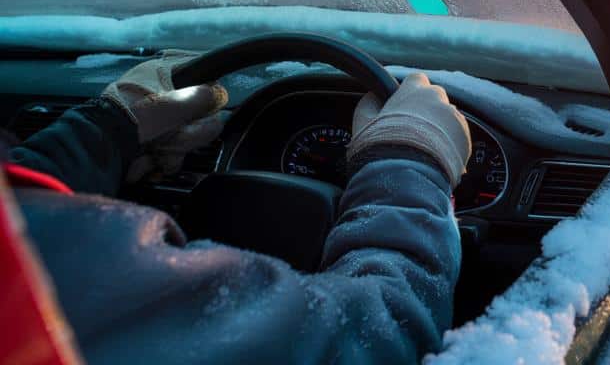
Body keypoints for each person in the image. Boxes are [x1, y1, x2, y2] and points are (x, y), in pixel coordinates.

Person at [5, 52, 471, 365]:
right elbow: (375, 336)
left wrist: (102, 135)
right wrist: (411, 166)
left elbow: (23, 215)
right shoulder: (44, 293)